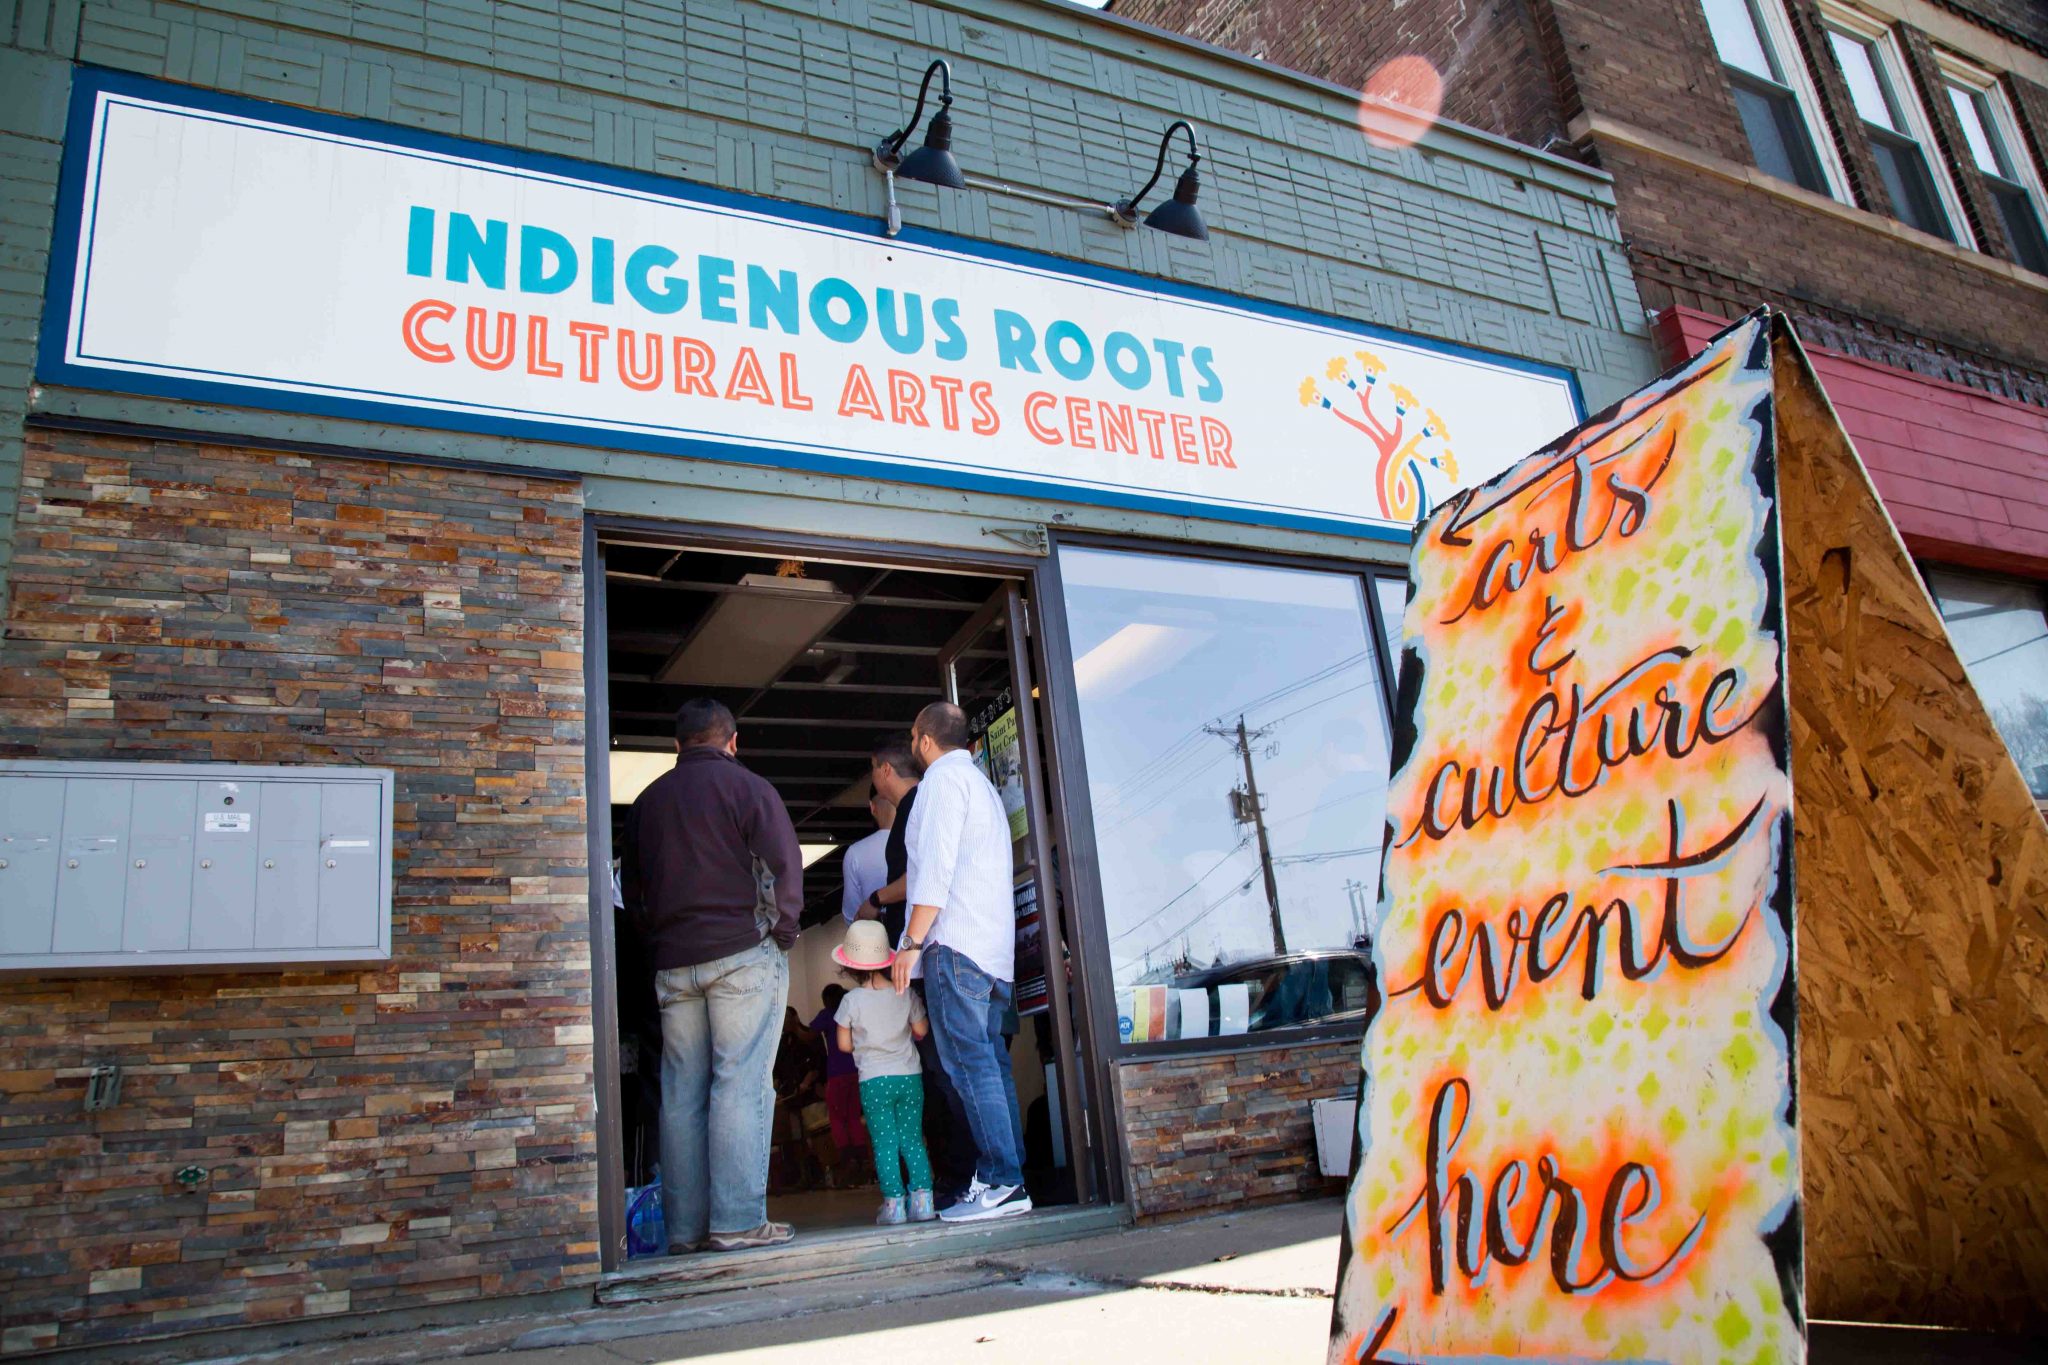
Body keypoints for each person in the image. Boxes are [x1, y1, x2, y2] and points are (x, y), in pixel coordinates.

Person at [622, 697, 800, 1255]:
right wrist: (785, 932)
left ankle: (685, 1230)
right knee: (740, 1084)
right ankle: (739, 1222)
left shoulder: (646, 804)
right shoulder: (749, 789)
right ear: (733, 740)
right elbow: (784, 867)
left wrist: (659, 943)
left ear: (678, 746)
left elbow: (634, 893)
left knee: (680, 1096)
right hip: (742, 954)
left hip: (674, 965)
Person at [892, 701, 1031, 1223]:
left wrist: (910, 943)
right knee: (990, 1066)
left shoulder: (941, 784)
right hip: (992, 951)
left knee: (969, 1067)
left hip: (956, 947)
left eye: (913, 738)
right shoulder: (982, 787)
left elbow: (936, 871)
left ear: (924, 740)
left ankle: (1000, 1180)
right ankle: (1009, 1179)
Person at [867, 736, 977, 1203]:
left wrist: (876, 902)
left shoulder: (920, 802)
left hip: (935, 952)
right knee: (948, 1068)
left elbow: (922, 877)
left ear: (883, 769)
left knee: (947, 1068)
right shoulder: (925, 800)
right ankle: (967, 1177)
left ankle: (965, 1177)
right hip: (940, 952)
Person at [832, 919, 939, 1226]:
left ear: (849, 967)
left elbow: (843, 1046)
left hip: (874, 1080)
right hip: (908, 1076)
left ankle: (894, 1206)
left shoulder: (850, 1001)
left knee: (885, 1142)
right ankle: (923, 1201)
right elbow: (921, 1030)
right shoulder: (904, 993)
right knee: (913, 1139)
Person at [809, 984, 868, 1184]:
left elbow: (809, 1033)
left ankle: (847, 1160)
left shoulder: (827, 1015)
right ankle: (862, 1161)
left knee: (837, 1118)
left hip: (836, 1073)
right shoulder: (852, 1010)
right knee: (854, 1117)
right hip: (857, 1070)